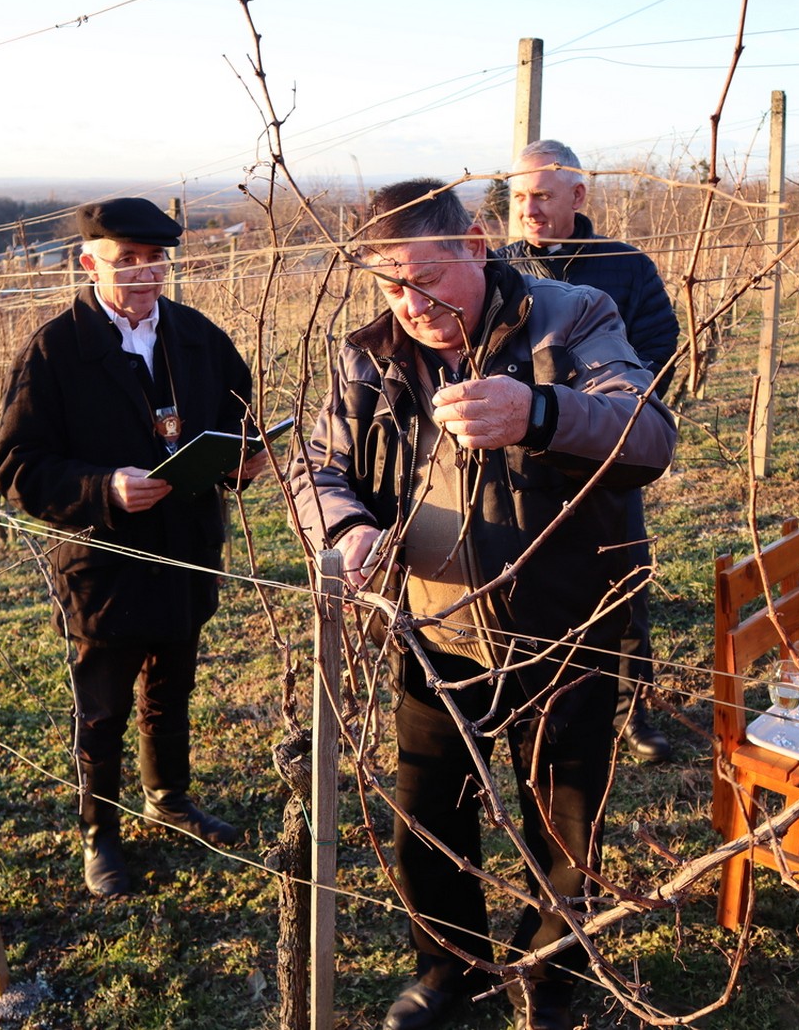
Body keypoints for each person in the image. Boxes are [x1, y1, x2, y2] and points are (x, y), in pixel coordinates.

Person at [290, 180, 677, 1030]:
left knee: (564, 813)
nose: (411, 305)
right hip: (434, 625)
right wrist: (347, 526)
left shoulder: (571, 315)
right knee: (430, 809)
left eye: (425, 279)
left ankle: (549, 966)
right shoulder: (370, 353)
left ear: (476, 243)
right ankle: (449, 968)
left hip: (567, 620)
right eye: (390, 286)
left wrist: (539, 412)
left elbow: (649, 434)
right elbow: (316, 466)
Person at [0, 198, 267, 898]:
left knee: (172, 688)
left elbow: (239, 415)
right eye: (126, 261)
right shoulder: (54, 351)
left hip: (186, 551)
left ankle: (168, 795)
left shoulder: (199, 337)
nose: (144, 275)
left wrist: (245, 458)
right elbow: (18, 465)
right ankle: (100, 832)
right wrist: (103, 487)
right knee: (104, 707)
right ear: (90, 264)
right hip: (104, 566)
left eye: (154, 261)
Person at [497, 138, 679, 764]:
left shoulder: (625, 266)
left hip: (605, 460)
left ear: (577, 195)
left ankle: (632, 709)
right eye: (518, 197)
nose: (529, 209)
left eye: (542, 195)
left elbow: (657, 349)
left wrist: (592, 415)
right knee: (518, 580)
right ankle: (523, 700)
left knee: (623, 585)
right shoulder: (495, 268)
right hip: (515, 464)